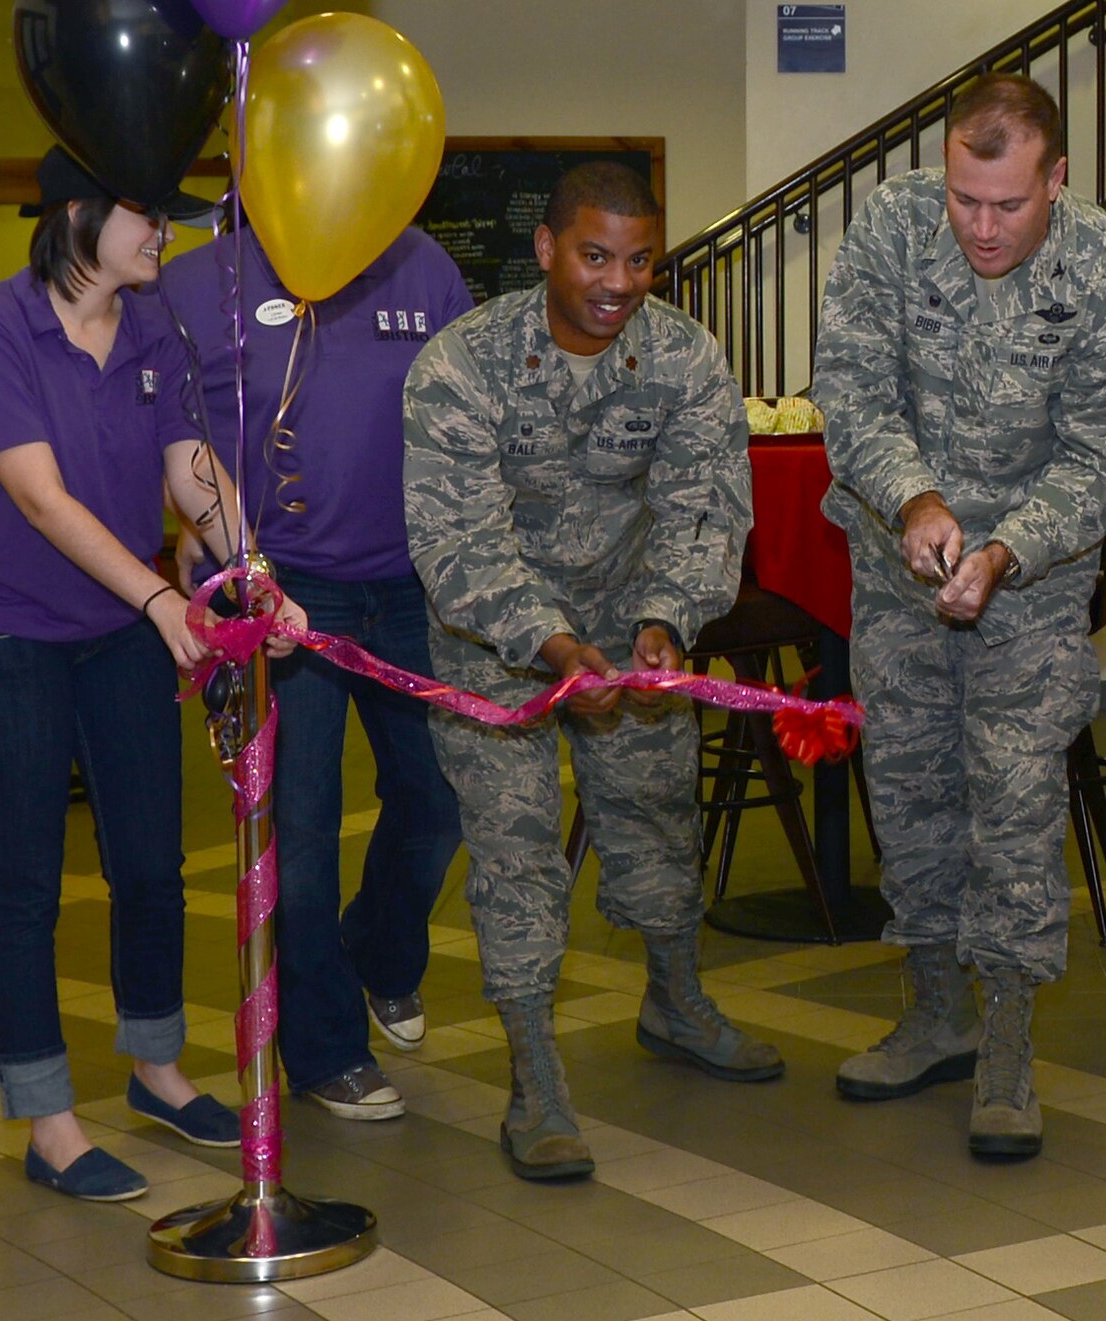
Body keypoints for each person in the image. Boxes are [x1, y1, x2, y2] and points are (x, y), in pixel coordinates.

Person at [0, 146, 304, 1201]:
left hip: (120, 632)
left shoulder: (155, 327)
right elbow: (42, 499)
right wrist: (155, 598)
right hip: (3, 632)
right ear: (80, 216)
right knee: (24, 883)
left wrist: (254, 574)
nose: (166, 234)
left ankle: (155, 1067)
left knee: (149, 860)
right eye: (150, 215)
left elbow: (192, 466)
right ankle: (48, 1121)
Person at [809, 73, 1106, 1158]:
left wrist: (1005, 551)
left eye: (1008, 204)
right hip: (897, 567)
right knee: (908, 786)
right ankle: (932, 1012)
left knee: (1010, 802)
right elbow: (850, 388)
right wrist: (913, 500)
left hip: (1033, 583)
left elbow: (1104, 456)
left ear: (1056, 178)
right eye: (966, 198)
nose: (983, 225)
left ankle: (1007, 1040)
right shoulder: (891, 229)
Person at [402, 162, 778, 1181]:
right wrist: (556, 649)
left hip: (630, 623)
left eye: (640, 257)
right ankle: (533, 1077)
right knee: (517, 852)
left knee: (658, 819)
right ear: (546, 249)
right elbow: (456, 547)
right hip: (494, 641)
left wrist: (666, 619)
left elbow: (707, 510)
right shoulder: (461, 365)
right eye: (595, 255)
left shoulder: (685, 359)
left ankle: (677, 1002)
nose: (619, 281)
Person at [159, 224, 473, 1121]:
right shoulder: (198, 280)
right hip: (282, 586)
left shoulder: (424, 263)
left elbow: (471, 414)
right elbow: (176, 437)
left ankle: (376, 950)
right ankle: (327, 1048)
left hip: (413, 581)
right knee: (298, 830)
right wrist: (212, 541)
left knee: (441, 797)